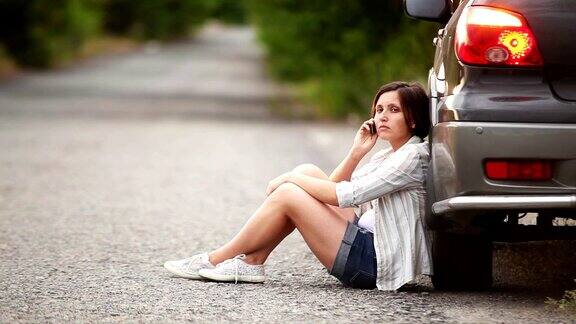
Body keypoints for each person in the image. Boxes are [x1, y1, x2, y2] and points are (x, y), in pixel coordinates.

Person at [164, 81, 432, 290]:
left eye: (393, 110)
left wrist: (288, 179)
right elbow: (331, 188)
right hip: (368, 243)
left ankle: (215, 259)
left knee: (291, 192)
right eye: (379, 110)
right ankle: (252, 263)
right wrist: (355, 153)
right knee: (308, 172)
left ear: (413, 120)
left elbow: (345, 195)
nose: (382, 117)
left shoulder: (412, 156)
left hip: (373, 264)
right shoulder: (389, 155)